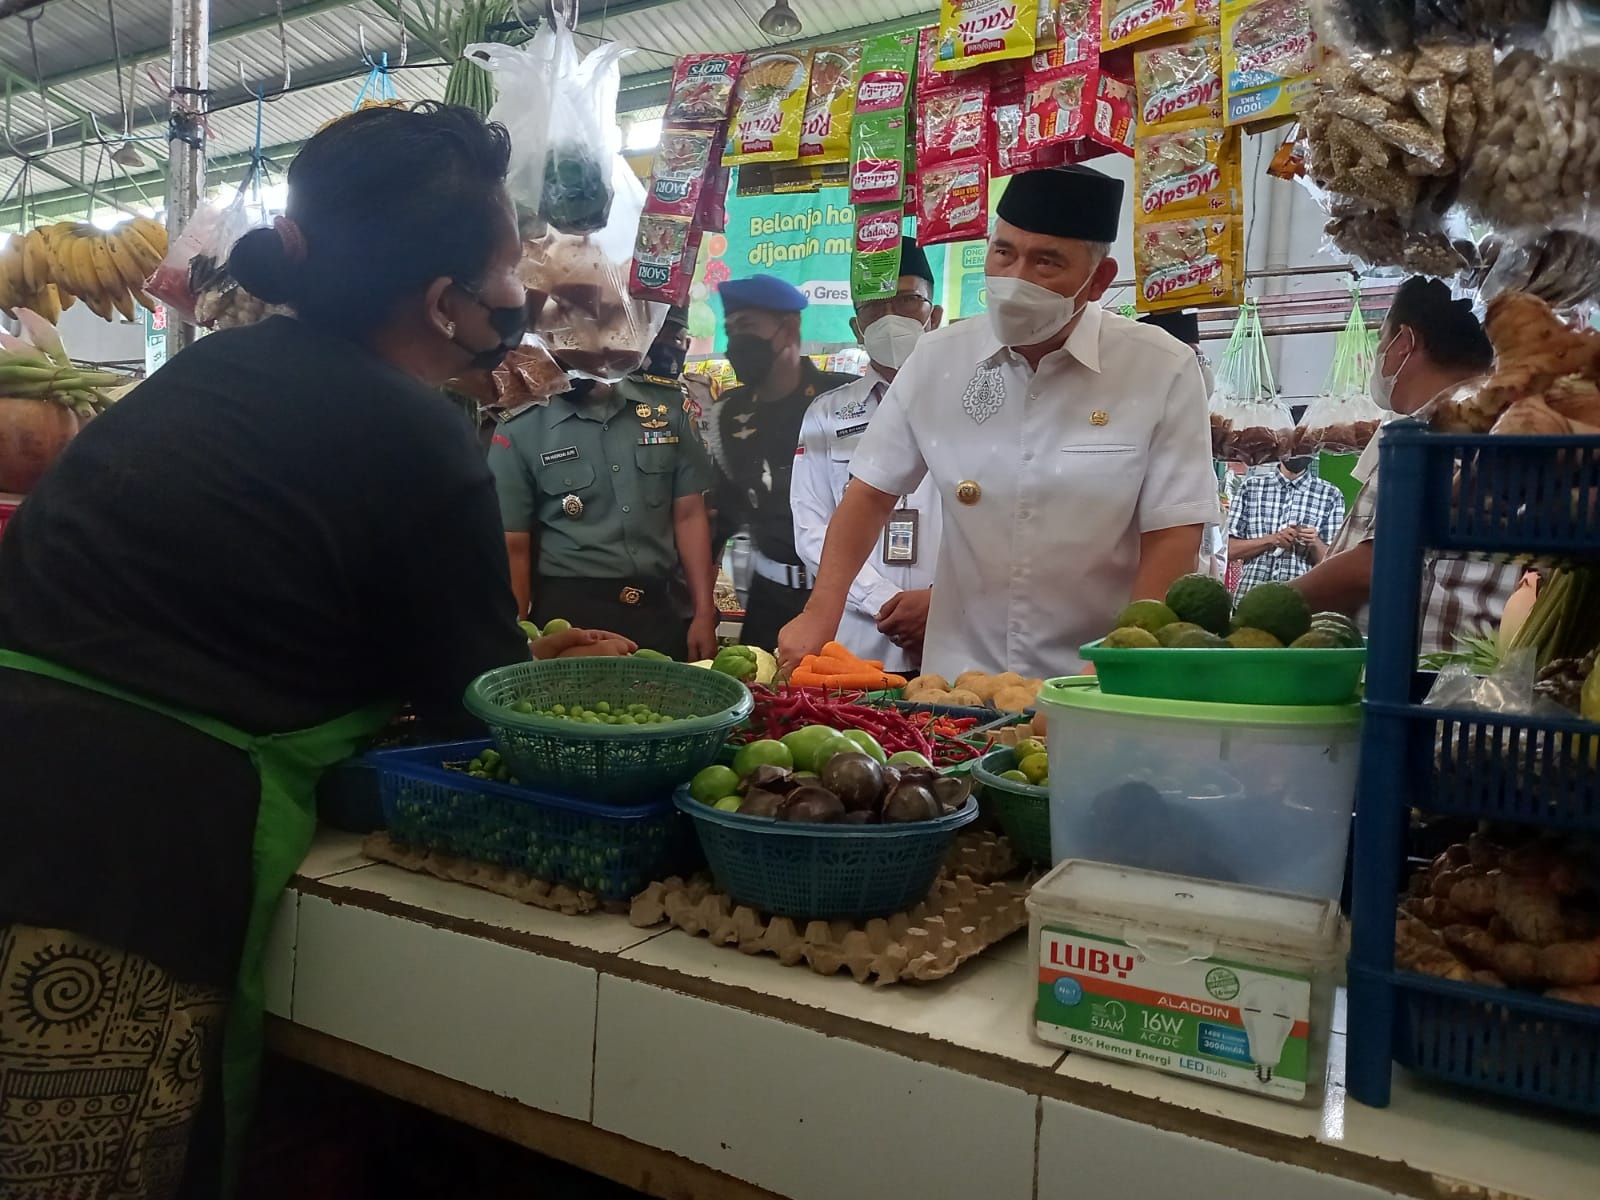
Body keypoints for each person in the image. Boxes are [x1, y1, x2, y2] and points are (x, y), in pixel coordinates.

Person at [0, 104, 634, 1200]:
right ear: (446, 305)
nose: (514, 315)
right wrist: (533, 676)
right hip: (141, 825)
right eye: (506, 291)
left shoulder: (203, 376)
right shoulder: (423, 433)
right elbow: (469, 701)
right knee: (106, 1137)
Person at [779, 165, 1219, 679]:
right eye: (1004, 252)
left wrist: (1120, 669)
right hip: (955, 680)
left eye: (1047, 262)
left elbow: (1173, 535)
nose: (1015, 280)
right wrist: (819, 613)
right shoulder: (938, 358)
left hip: (1090, 673)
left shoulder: (1160, 368)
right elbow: (869, 494)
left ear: (1098, 280)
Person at [489, 306, 719, 662]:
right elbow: (514, 547)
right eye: (558, 342)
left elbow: (689, 514)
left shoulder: (666, 408)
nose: (568, 352)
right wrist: (519, 641)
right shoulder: (521, 426)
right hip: (572, 620)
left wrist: (704, 613)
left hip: (662, 611)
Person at [1292, 277, 1506, 654]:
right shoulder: (1501, 416)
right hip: (1465, 674)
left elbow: (1374, 566)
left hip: (1424, 681)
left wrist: (1262, 607)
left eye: (1381, 339)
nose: (1379, 353)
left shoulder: (1446, 425)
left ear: (1405, 342)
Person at [791, 238, 945, 671]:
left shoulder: (971, 404)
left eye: (908, 299)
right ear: (857, 328)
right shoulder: (825, 414)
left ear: (934, 315)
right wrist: (885, 602)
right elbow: (811, 529)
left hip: (953, 631)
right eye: (873, 306)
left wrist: (943, 600)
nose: (890, 316)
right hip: (856, 644)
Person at [706, 275, 855, 650]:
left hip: (847, 603)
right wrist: (702, 608)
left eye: (748, 327)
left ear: (790, 329)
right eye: (731, 330)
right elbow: (721, 519)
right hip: (768, 604)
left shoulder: (845, 399)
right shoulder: (729, 415)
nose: (736, 343)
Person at [1138, 309, 1226, 580]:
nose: (1200, 368)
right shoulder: (1136, 433)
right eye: (1191, 358)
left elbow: (1208, 540)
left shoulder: (1197, 439)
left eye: (1200, 358)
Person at [1226, 456, 1347, 594]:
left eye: (1305, 448)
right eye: (1293, 448)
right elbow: (1230, 550)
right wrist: (1272, 540)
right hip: (1250, 595)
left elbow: (1333, 565)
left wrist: (1315, 542)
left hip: (1302, 600)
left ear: (1315, 450)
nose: (1298, 454)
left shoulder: (1330, 495)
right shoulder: (1251, 488)